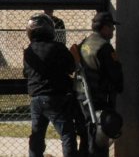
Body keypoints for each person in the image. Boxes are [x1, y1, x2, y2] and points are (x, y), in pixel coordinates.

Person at [25, 13, 79, 157]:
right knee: (67, 133)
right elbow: (71, 67)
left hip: (36, 98)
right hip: (56, 97)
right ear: (49, 30)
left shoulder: (29, 51)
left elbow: (26, 73)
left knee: (37, 135)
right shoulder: (58, 47)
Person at [78, 11, 123, 157]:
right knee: (100, 136)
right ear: (103, 28)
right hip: (100, 97)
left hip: (83, 96)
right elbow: (115, 73)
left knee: (87, 134)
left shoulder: (85, 43)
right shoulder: (104, 47)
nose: (113, 30)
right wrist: (118, 87)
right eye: (111, 27)